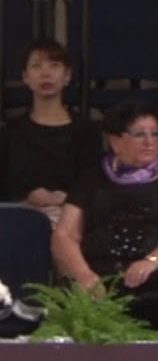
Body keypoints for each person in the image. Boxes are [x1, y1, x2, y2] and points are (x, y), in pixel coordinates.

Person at [52, 102, 158, 335]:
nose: (150, 141)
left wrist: (152, 261)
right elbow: (64, 235)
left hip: (153, 279)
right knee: (68, 304)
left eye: (154, 133)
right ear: (115, 142)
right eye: (140, 134)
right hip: (96, 276)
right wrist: (84, 276)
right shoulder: (90, 179)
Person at [0, 39, 101, 226]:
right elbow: (6, 188)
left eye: (54, 65)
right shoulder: (10, 132)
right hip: (22, 217)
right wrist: (27, 199)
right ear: (25, 77)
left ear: (67, 75)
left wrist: (65, 200)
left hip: (73, 217)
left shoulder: (86, 130)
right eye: (36, 66)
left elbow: (93, 185)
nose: (45, 74)